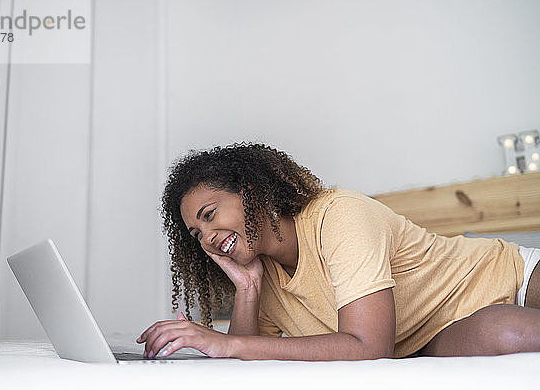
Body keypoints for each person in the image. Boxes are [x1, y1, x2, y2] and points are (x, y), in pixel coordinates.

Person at [137, 143, 540, 360]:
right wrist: (246, 291)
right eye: (196, 234)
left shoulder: (337, 215)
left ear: (251, 192)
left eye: (210, 215)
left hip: (504, 274)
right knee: (513, 333)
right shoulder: (264, 277)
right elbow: (243, 366)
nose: (207, 237)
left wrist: (225, 342)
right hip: (432, 335)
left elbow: (368, 345)